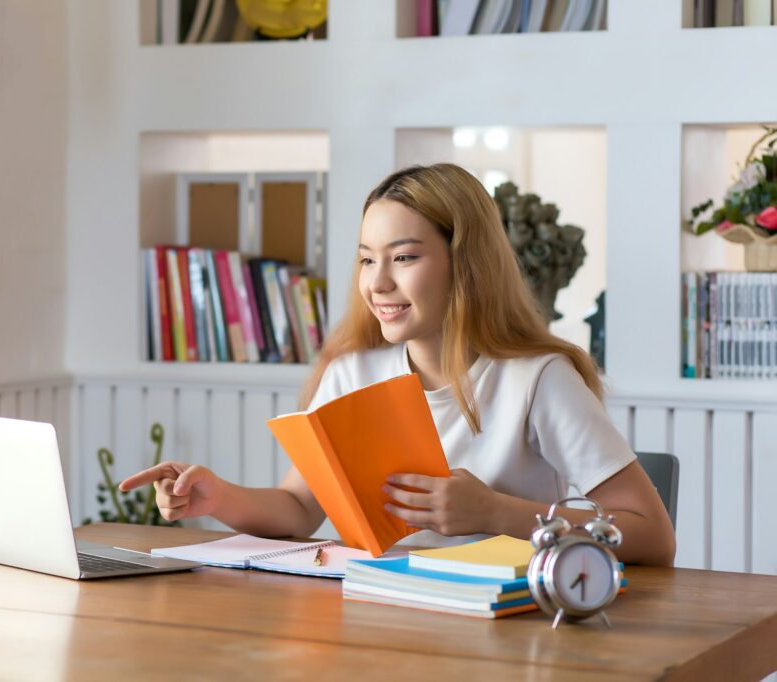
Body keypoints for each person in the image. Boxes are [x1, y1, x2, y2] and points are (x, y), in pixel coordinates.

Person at [120, 163, 676, 566]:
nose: (377, 283)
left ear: (466, 264)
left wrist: (496, 512)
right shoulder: (350, 373)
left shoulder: (537, 378)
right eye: (367, 259)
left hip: (506, 630)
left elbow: (652, 535)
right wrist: (217, 496)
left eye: (404, 257)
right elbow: (297, 509)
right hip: (377, 614)